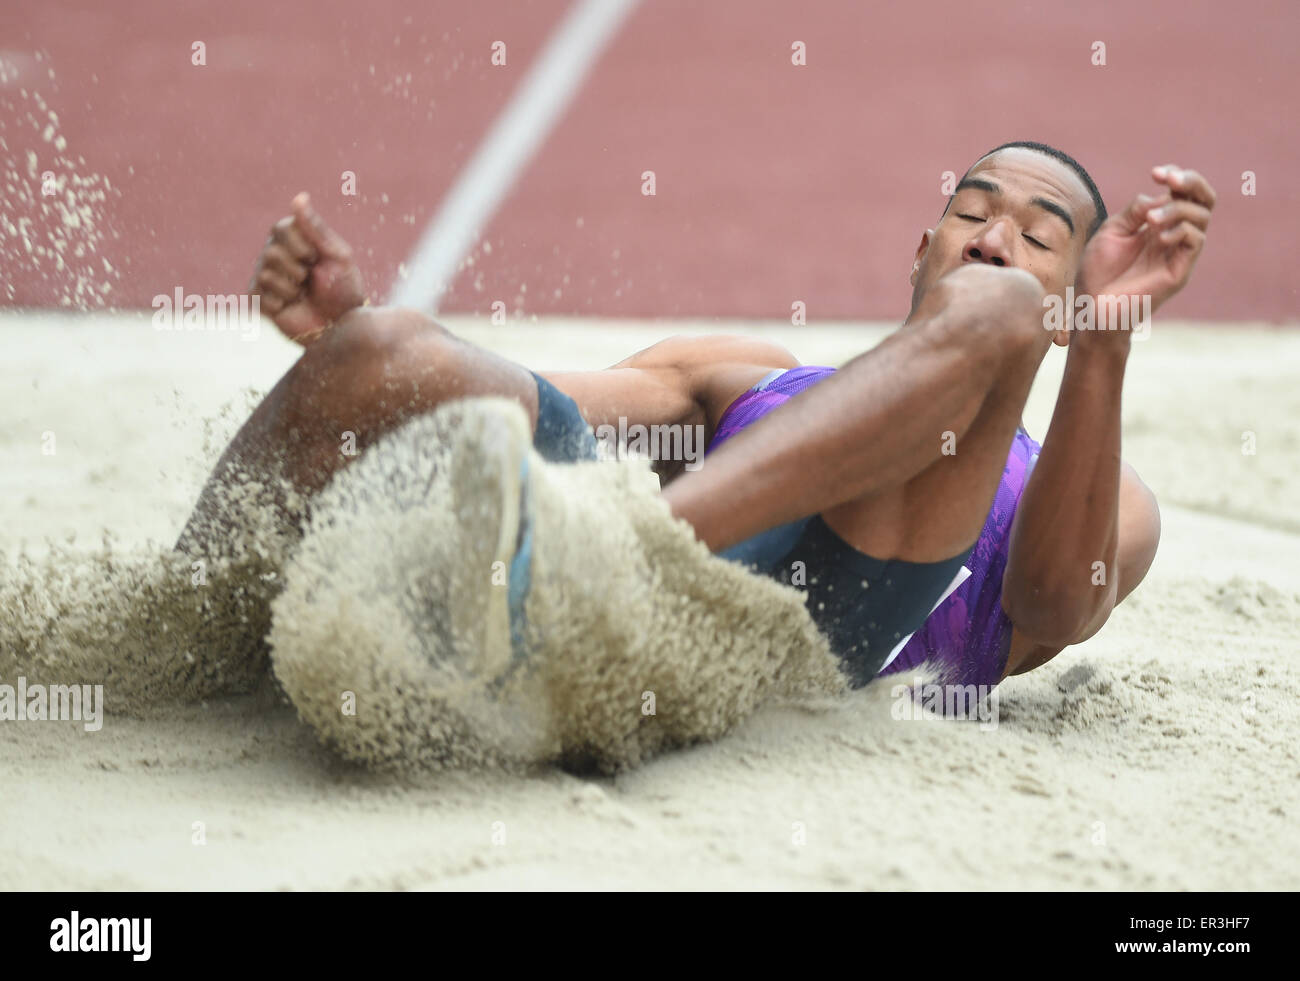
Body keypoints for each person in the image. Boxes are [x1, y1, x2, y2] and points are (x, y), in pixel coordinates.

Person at [182, 140, 1215, 693]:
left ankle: (627, 549)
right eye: (974, 212)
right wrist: (351, 352)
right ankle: (186, 625)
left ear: (1077, 304)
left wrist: (1105, 340)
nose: (993, 240)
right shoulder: (745, 377)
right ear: (919, 249)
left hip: (773, 665)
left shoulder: (1098, 495)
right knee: (387, 347)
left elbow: (1053, 608)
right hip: (618, 611)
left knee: (996, 327)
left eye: (1039, 238)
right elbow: (498, 421)